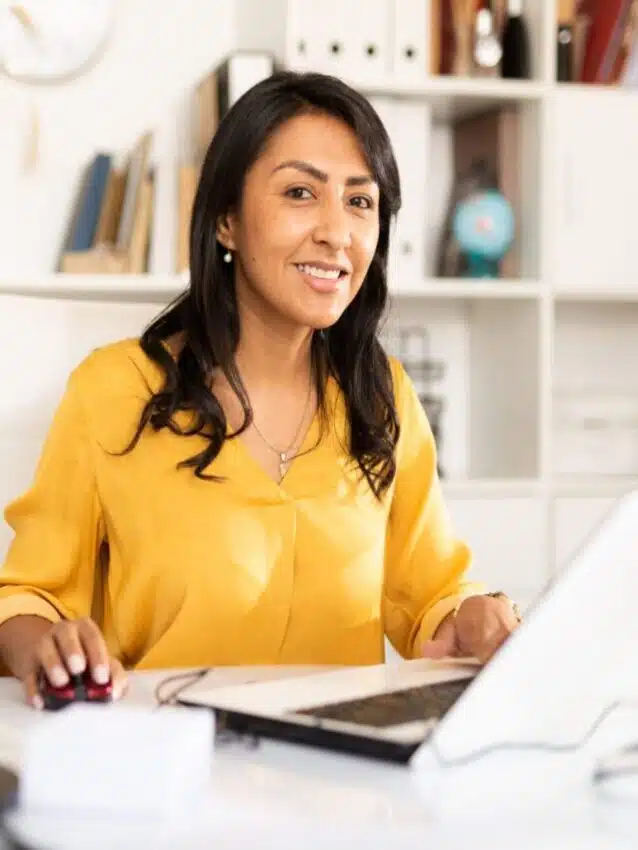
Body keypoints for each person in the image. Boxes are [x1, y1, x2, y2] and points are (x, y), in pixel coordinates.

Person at [0, 71, 520, 708]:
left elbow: (429, 599)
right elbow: (29, 598)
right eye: (301, 192)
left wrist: (471, 618)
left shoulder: (382, 396)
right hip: (168, 766)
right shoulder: (113, 391)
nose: (338, 232)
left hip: (335, 776)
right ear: (226, 221)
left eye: (360, 201)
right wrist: (48, 646)